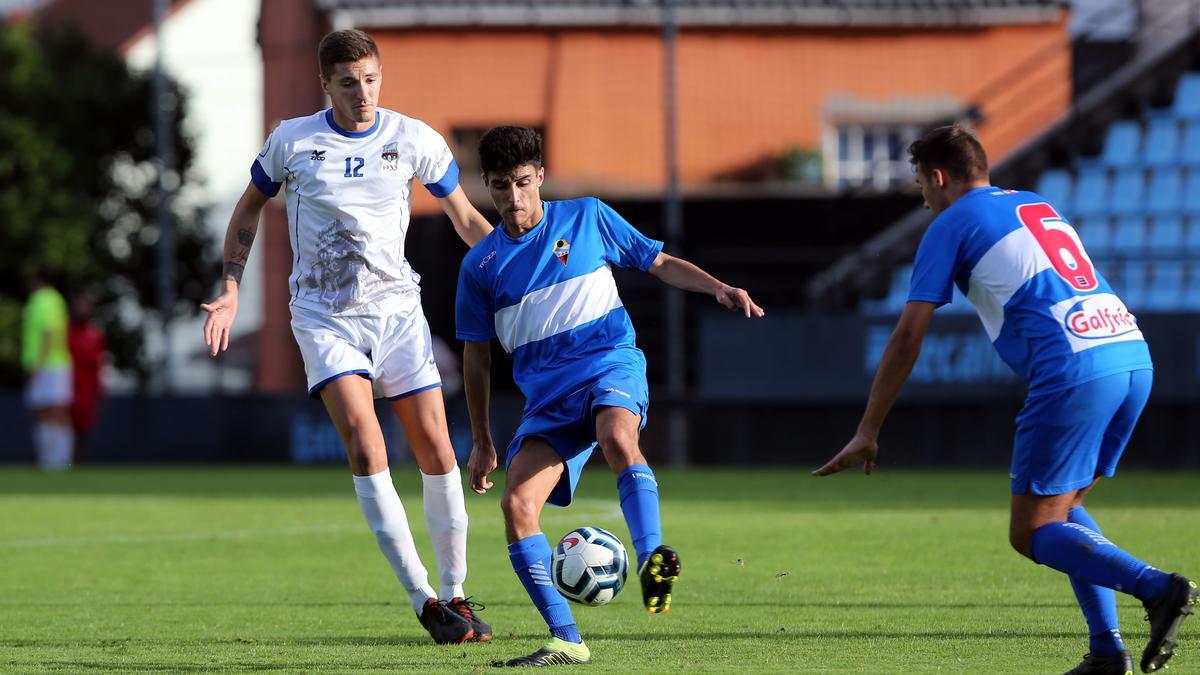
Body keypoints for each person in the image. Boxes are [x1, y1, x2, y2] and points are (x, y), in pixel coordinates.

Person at [813, 124, 1197, 675]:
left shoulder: (950, 224)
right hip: (1130, 354)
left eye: (921, 183)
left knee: (1033, 531)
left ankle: (1159, 589)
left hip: (1075, 368)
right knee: (1063, 510)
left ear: (939, 178)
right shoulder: (1034, 203)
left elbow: (906, 338)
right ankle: (1108, 653)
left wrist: (868, 428)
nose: (922, 196)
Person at [200, 29, 495, 645]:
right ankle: (424, 599)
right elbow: (247, 209)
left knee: (437, 450)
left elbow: (467, 219)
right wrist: (231, 285)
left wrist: (521, 268)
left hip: (396, 314)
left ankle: (458, 592)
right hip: (323, 318)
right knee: (367, 446)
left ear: (380, 76)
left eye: (370, 79)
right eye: (348, 83)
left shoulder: (413, 138)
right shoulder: (293, 141)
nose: (363, 93)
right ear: (325, 85)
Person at [457, 126, 765, 667]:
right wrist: (483, 438)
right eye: (501, 186)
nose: (514, 198)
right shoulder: (480, 265)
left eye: (524, 183)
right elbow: (477, 357)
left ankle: (653, 561)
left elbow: (659, 261)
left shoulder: (586, 216)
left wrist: (717, 286)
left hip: (608, 362)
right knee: (515, 505)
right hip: (547, 399)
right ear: (486, 185)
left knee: (617, 435)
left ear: (542, 178)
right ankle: (567, 641)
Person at [22, 270, 73, 471]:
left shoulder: (43, 300)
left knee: (53, 411)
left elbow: (48, 331)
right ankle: (51, 462)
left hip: (50, 364)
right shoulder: (55, 300)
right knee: (47, 411)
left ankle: (58, 462)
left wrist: (38, 364)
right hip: (52, 364)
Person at [67, 291, 107, 463]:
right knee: (61, 430)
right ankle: (57, 466)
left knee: (82, 434)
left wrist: (101, 392)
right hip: (65, 388)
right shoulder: (64, 331)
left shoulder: (95, 335)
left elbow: (99, 366)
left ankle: (77, 468)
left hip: (86, 392)